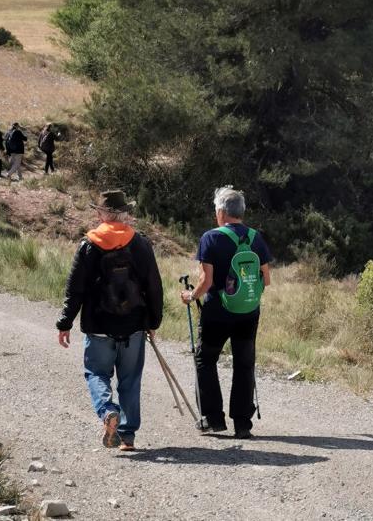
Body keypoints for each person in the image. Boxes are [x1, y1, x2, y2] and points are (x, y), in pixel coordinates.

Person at [56, 190, 163, 452]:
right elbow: (154, 286)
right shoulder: (140, 244)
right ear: (124, 213)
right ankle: (127, 437)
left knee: (96, 373)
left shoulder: (89, 245)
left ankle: (107, 411)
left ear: (102, 214)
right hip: (134, 326)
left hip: (98, 326)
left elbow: (76, 289)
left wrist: (65, 323)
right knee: (130, 380)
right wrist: (153, 321)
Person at [180, 186, 272, 440]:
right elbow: (267, 279)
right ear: (241, 212)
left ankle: (213, 419)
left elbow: (206, 281)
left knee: (205, 360)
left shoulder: (211, 238)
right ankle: (242, 424)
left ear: (220, 212)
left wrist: (190, 296)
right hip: (249, 312)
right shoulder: (256, 237)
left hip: (217, 313)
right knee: (244, 364)